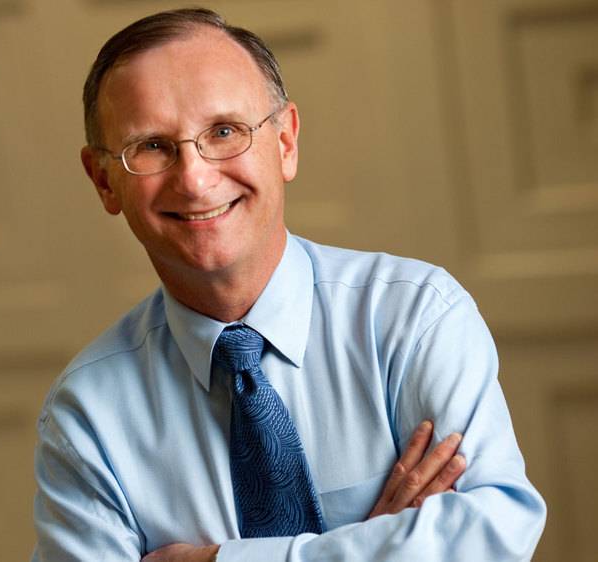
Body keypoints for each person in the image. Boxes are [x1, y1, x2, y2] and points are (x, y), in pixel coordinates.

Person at [32, 8, 546, 561]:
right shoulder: (86, 415)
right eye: (152, 146)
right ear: (104, 180)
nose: (195, 178)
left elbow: (493, 534)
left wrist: (217, 561)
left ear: (285, 143)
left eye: (224, 131)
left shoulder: (413, 318)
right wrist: (378, 545)